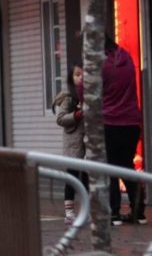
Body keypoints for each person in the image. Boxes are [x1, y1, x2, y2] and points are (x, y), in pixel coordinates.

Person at [102, 37, 145, 226]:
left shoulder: (98, 63)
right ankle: (139, 212)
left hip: (110, 122)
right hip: (131, 122)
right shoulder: (127, 57)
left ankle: (114, 213)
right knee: (127, 165)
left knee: (110, 168)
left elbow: (84, 90)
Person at [52, 64, 87, 224]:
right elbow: (60, 119)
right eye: (77, 75)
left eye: (83, 74)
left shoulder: (89, 96)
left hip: (87, 145)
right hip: (73, 145)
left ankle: (88, 209)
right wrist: (77, 114)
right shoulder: (69, 98)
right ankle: (69, 212)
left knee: (86, 178)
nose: (81, 77)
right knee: (72, 178)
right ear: (71, 79)